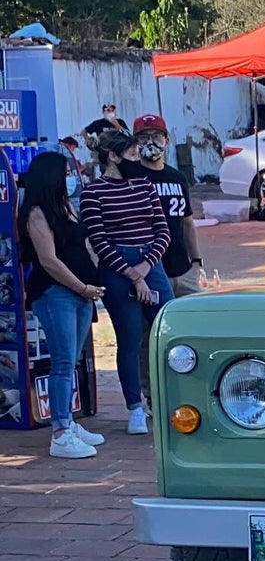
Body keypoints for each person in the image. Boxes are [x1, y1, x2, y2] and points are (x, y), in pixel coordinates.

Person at [79, 131, 172, 435]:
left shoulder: (144, 185)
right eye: (132, 155)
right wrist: (133, 275)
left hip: (150, 261)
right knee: (130, 339)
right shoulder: (92, 193)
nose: (138, 160)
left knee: (169, 333)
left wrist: (145, 268)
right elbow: (99, 242)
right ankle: (135, 407)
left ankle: (171, 399)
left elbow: (163, 230)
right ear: (113, 157)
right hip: (118, 268)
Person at [17, 151, 106, 460]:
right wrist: (81, 287)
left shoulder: (66, 206)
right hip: (57, 293)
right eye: (66, 172)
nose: (71, 176)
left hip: (83, 294)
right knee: (63, 362)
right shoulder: (37, 213)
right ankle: (59, 431)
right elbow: (48, 260)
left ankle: (68, 420)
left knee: (72, 360)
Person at [131, 114, 204, 296]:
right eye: (144, 137)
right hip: (150, 270)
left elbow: (187, 223)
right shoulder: (131, 178)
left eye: (156, 136)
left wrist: (196, 261)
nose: (151, 142)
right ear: (135, 143)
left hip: (183, 269)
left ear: (167, 140)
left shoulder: (177, 178)